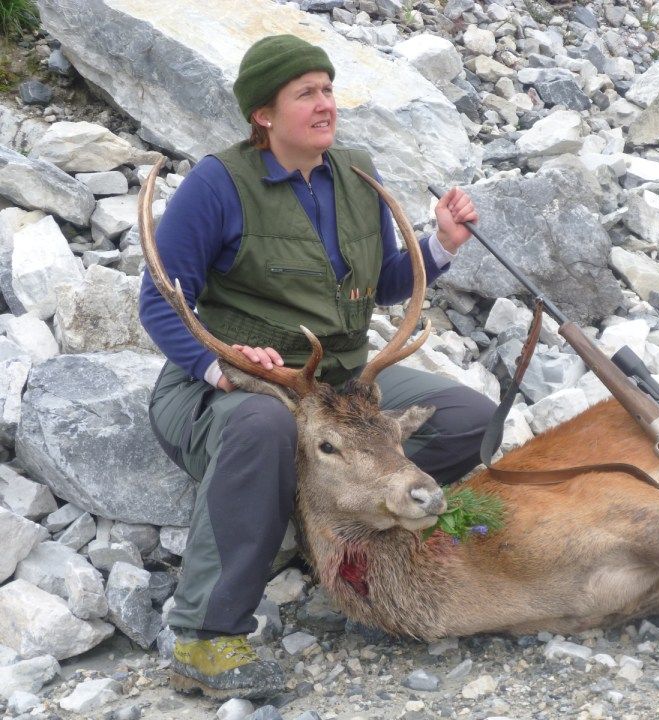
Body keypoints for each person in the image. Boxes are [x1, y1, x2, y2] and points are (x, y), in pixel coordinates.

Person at [139, 33, 496, 700]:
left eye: (328, 89)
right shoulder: (218, 185)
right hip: (230, 385)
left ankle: (328, 521)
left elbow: (383, 281)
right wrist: (223, 367)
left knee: (469, 421)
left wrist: (440, 247)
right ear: (264, 116)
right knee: (260, 430)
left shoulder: (357, 174)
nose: (325, 103)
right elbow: (160, 303)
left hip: (340, 388)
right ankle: (204, 637)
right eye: (306, 93)